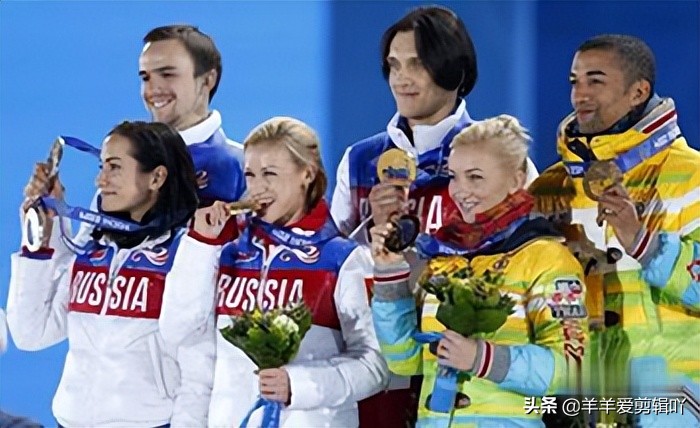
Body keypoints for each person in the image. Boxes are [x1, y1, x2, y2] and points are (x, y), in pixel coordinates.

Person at [329, 6, 539, 426]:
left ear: (454, 70)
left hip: (474, 370)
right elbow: (334, 267)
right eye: (393, 65)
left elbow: (532, 255)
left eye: (417, 64)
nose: (401, 78)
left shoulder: (498, 155)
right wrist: (374, 226)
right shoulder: (361, 159)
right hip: (386, 362)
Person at [159, 117, 389, 427]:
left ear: (307, 174)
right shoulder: (226, 250)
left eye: (270, 174)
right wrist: (200, 245)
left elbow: (375, 366)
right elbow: (177, 332)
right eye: (251, 175)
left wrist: (299, 385)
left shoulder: (343, 260)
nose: (257, 188)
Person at [370, 115, 588, 427]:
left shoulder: (549, 259)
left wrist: (482, 359)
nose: (459, 191)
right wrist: (388, 275)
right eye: (454, 177)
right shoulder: (445, 257)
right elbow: (405, 361)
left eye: (475, 177)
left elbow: (572, 371)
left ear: (515, 180)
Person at [529, 34, 700, 426]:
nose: (580, 94)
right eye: (575, 81)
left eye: (596, 80)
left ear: (638, 91)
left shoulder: (692, 176)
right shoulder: (549, 187)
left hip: (672, 407)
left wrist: (642, 243)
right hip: (578, 405)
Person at [6, 121, 206, 427]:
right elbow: (30, 334)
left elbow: (199, 369)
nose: (100, 180)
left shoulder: (187, 253)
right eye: (102, 166)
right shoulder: (92, 248)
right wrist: (39, 240)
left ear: (157, 176)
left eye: (114, 167)